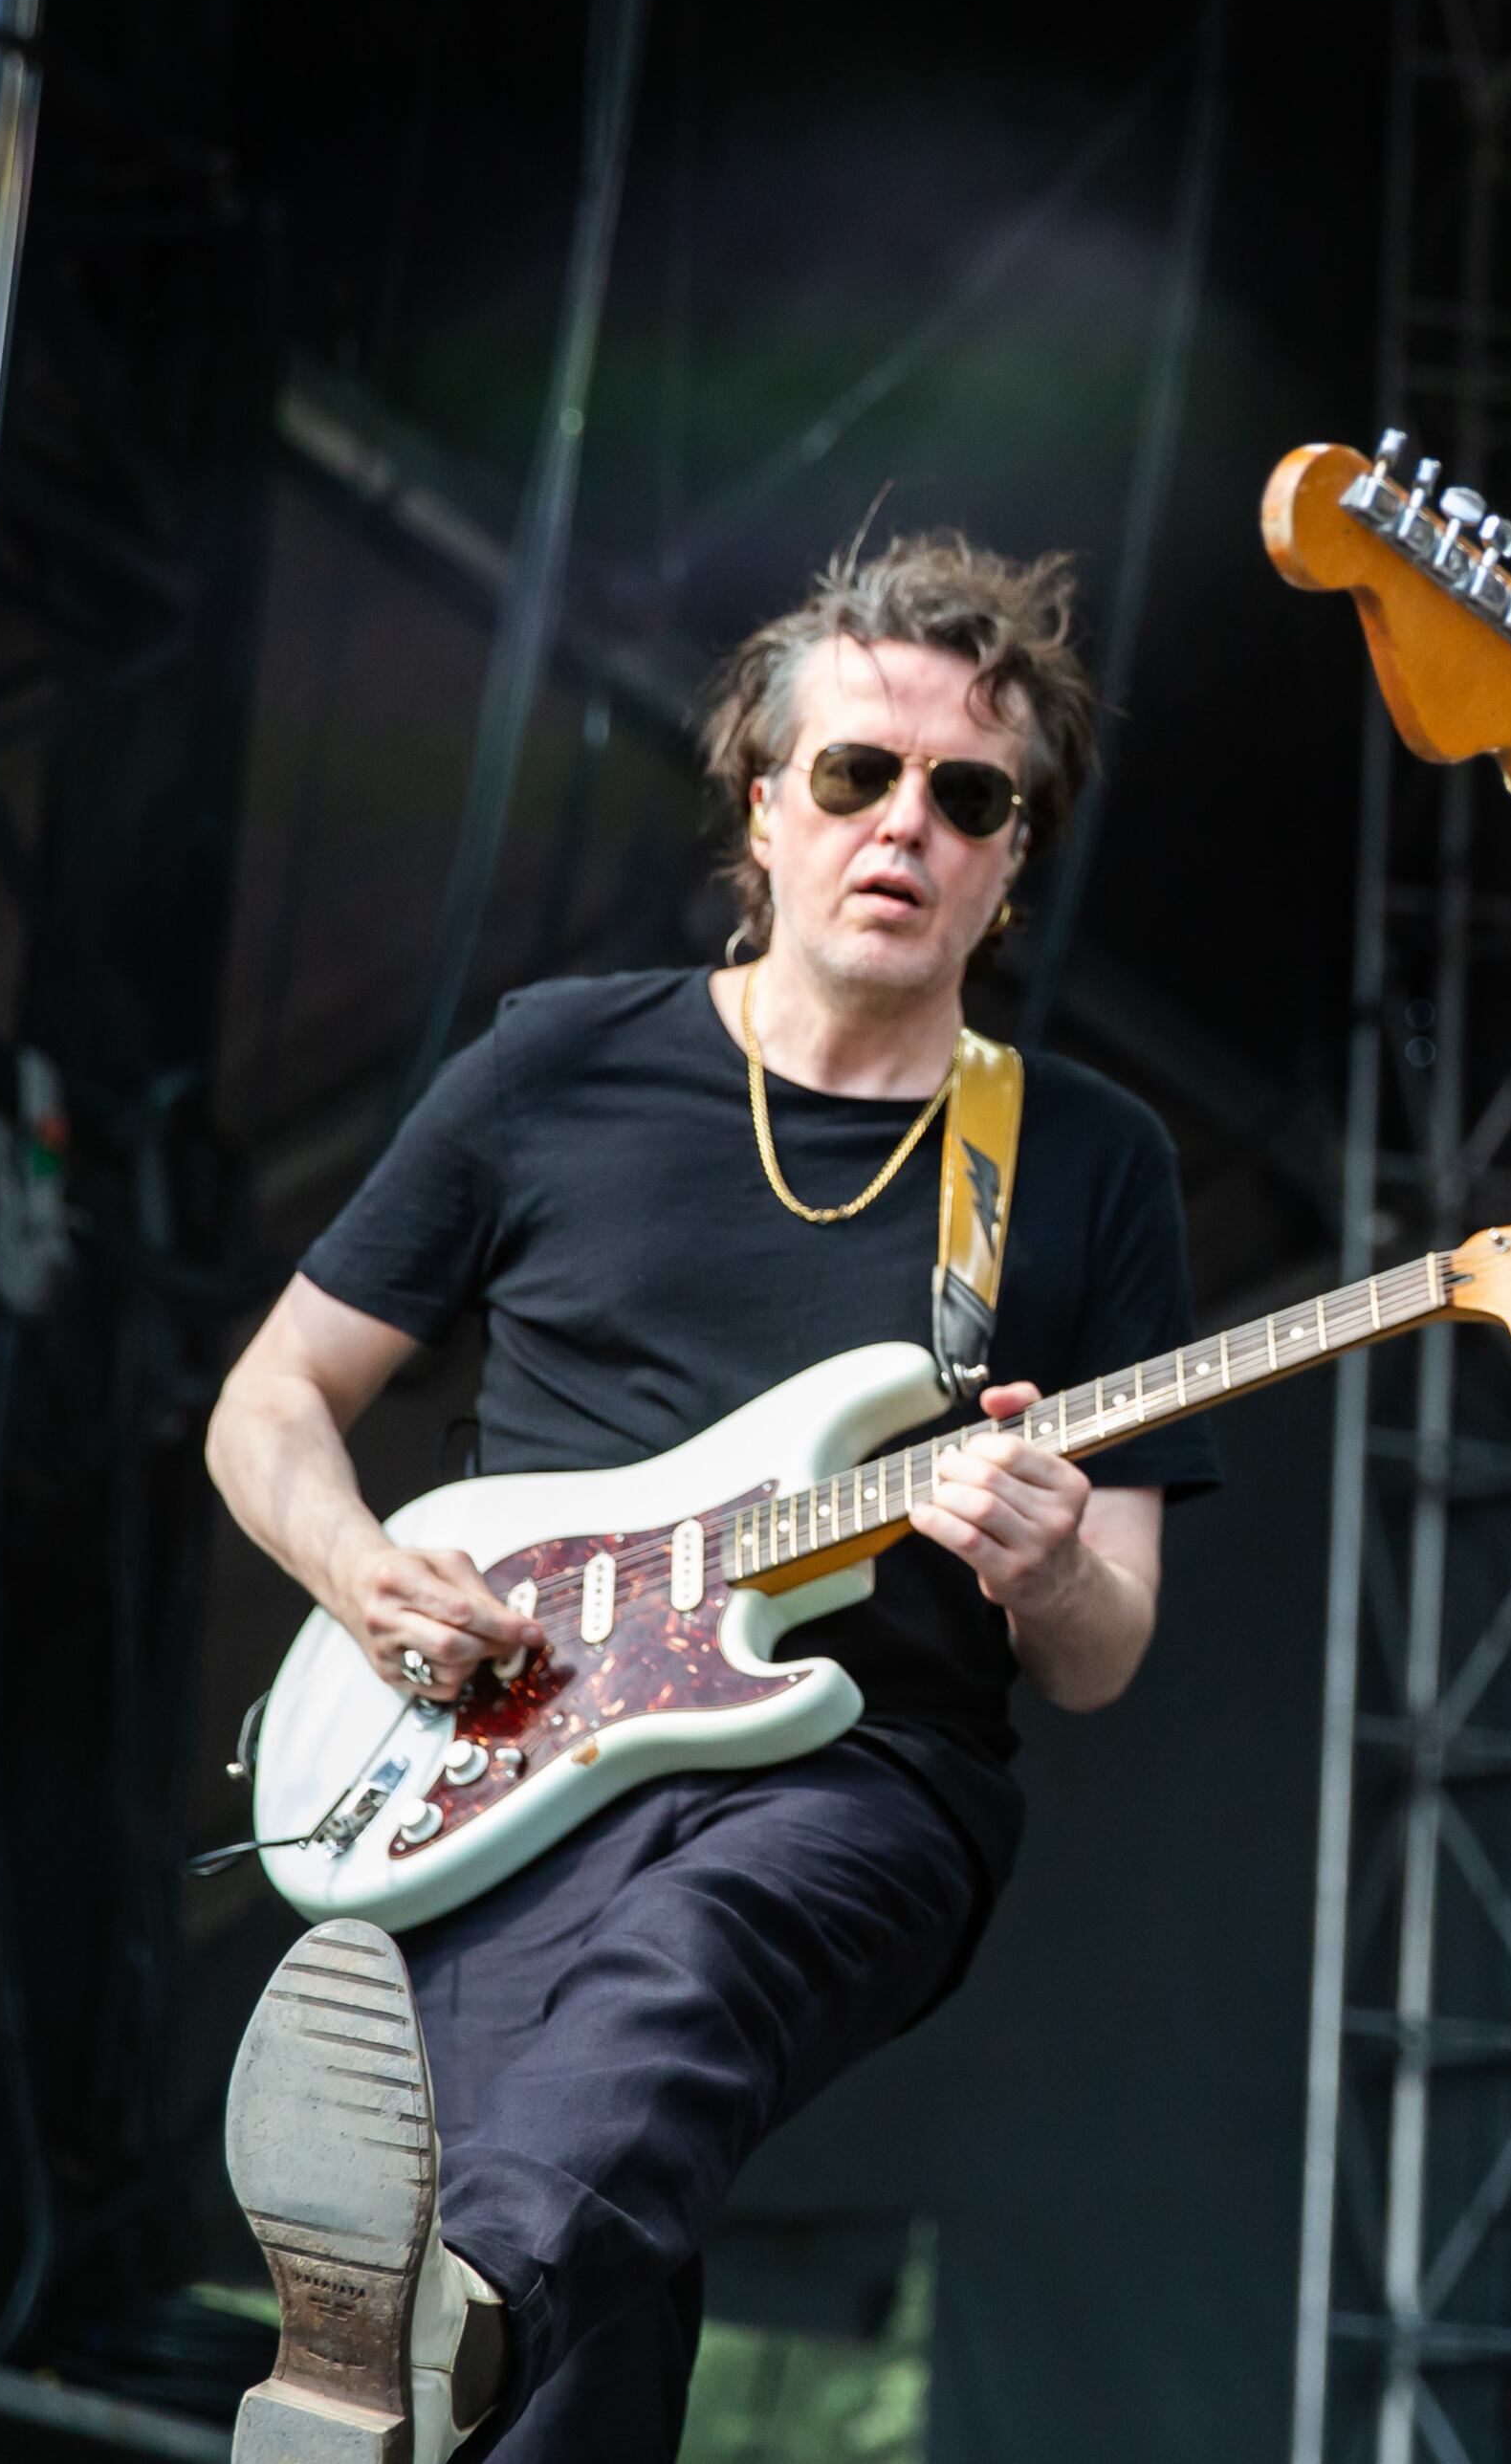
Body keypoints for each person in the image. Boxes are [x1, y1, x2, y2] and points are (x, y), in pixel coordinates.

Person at [200, 531, 1214, 2464]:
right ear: (765, 805)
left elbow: (1106, 1647)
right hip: (505, 1758)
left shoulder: (1079, 1161)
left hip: (861, 1773)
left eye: (967, 795)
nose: (904, 822)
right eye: (856, 773)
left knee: (687, 1974)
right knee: (588, 2247)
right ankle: (468, 2348)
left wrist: (1051, 1560)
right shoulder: (556, 1065)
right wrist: (357, 1569)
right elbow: (273, 1400)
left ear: (1011, 860)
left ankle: (429, 2327)